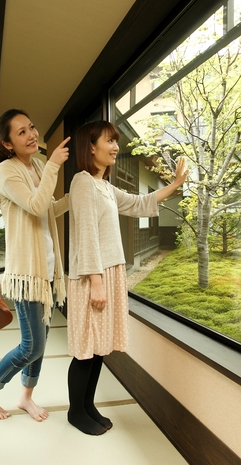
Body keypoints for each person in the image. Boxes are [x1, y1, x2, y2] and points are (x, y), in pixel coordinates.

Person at [66, 120, 187, 436]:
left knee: (99, 348)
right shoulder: (82, 183)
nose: (116, 146)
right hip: (93, 274)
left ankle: (87, 406)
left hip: (107, 270)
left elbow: (137, 203)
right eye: (110, 140)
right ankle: (75, 411)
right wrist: (96, 282)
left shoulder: (104, 185)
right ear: (91, 146)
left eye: (115, 141)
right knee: (86, 348)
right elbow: (87, 235)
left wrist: (174, 185)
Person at [0, 110, 70, 421]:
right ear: (6, 143)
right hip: (27, 274)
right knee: (32, 346)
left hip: (48, 270)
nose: (31, 134)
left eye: (31, 127)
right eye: (21, 132)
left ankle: (26, 396)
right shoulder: (6, 170)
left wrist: (74, 196)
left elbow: (48, 211)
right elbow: (36, 204)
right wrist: (55, 164)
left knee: (38, 344)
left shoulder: (39, 165)